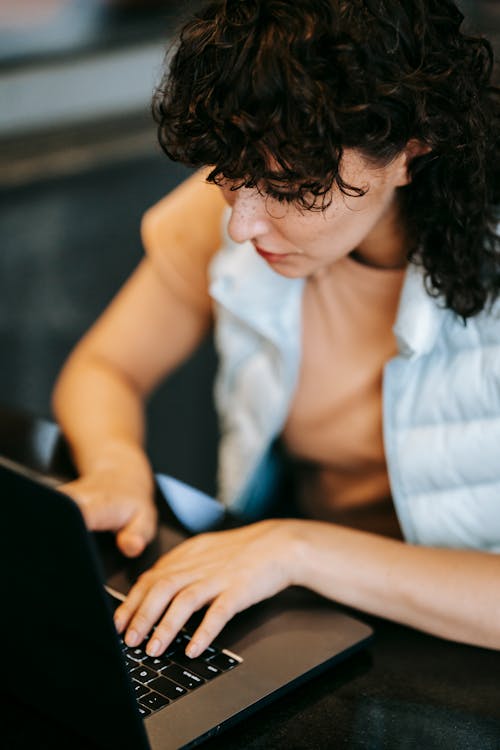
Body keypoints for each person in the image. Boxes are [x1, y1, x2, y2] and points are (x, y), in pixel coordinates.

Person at [52, 0, 500, 661]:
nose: (242, 226)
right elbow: (105, 369)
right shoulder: (238, 213)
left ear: (410, 151)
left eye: (292, 190)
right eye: (231, 179)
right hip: (314, 620)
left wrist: (295, 548)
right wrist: (117, 468)